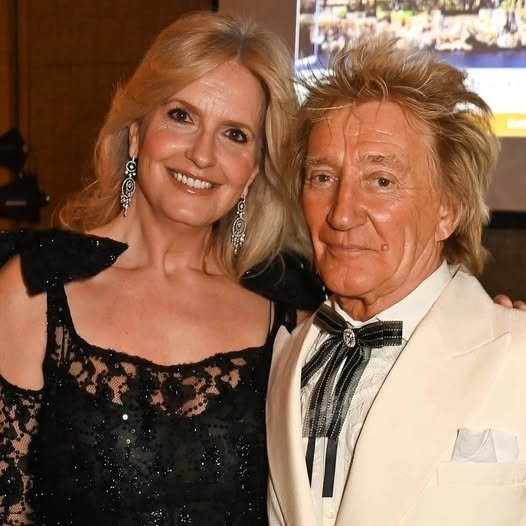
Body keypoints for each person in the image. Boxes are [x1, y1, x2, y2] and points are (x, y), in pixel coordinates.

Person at [0, 11, 325, 525]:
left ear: (253, 170)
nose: (202, 154)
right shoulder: (33, 289)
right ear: (136, 132)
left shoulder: (292, 311)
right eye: (181, 116)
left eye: (235, 134)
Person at [266, 37, 526, 526]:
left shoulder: (517, 354)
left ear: (448, 210)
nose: (341, 214)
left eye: (381, 181)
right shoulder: (284, 358)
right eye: (323, 177)